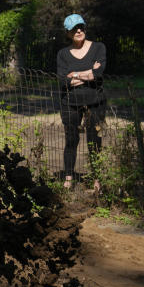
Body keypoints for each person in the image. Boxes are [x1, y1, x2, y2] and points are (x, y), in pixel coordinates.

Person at [56, 13, 107, 191]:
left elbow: (98, 75)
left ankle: (97, 179)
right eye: (74, 29)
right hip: (70, 103)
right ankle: (69, 177)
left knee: (95, 140)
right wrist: (88, 74)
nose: (79, 31)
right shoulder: (63, 54)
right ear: (68, 33)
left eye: (81, 27)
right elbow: (63, 80)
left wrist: (75, 75)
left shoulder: (99, 48)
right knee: (71, 139)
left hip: (96, 102)